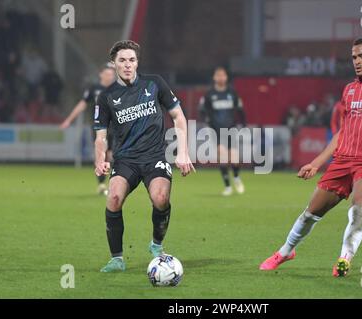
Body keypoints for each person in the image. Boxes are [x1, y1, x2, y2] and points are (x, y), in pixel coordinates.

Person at [259, 37, 362, 277]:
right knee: (310, 213)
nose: (356, 61)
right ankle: (286, 251)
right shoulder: (349, 89)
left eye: (361, 56)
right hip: (342, 161)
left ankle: (344, 258)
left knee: (358, 206)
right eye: (353, 57)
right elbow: (342, 132)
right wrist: (316, 163)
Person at [94, 40, 195, 272]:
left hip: (155, 156)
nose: (128, 65)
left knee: (161, 198)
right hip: (126, 159)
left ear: (137, 62)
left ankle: (156, 245)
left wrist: (183, 152)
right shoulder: (106, 97)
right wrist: (100, 160)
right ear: (114, 64)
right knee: (114, 199)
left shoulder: (155, 83)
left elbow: (178, 117)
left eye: (132, 60)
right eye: (122, 60)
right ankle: (116, 259)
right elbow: (100, 136)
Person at [60, 63, 116, 195]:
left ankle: (110, 182)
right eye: (107, 74)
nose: (110, 77)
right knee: (100, 154)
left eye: (112, 75)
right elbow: (82, 104)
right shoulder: (94, 89)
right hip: (98, 127)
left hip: (114, 127)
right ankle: (101, 184)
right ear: (101, 74)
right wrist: (68, 120)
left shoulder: (117, 89)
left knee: (110, 155)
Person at [199, 66, 246, 196]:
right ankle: (228, 187)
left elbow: (240, 110)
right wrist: (207, 123)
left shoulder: (232, 93)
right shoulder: (210, 94)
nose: (220, 77)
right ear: (214, 77)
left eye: (223, 75)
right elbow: (203, 111)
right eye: (218, 75)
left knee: (235, 159)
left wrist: (243, 124)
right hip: (217, 130)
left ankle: (236, 178)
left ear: (226, 77)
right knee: (223, 157)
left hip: (231, 129)